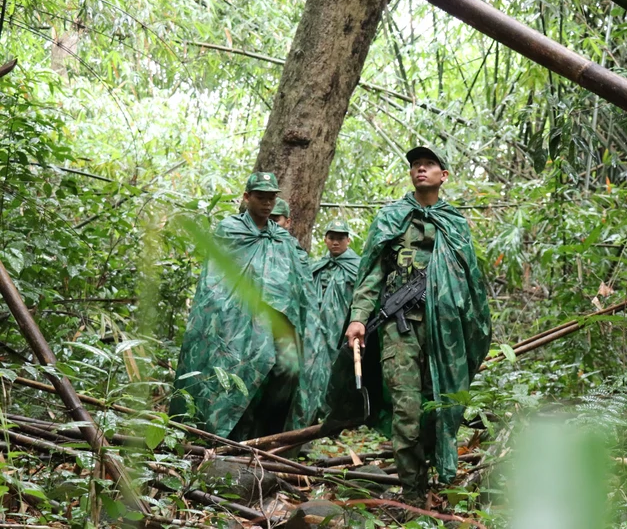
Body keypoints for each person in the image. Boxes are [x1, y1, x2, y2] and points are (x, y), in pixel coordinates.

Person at [341, 146, 492, 504]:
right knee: (406, 409)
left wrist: (472, 330)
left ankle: (437, 479)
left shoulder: (454, 223)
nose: (421, 169)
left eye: (429, 164)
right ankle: (412, 495)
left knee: (439, 405)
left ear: (443, 175)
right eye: (415, 165)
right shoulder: (391, 218)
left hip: (445, 331)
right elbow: (372, 273)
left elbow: (470, 282)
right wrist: (358, 317)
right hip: (399, 326)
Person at [170, 172, 325, 440]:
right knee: (239, 371)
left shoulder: (282, 239)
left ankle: (267, 436)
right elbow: (214, 281)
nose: (267, 203)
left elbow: (300, 284)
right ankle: (230, 437)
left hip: (278, 321)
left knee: (287, 370)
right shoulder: (230, 230)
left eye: (271, 198)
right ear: (247, 197)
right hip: (235, 320)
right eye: (261, 197)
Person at [311, 220, 361, 414]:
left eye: (340, 238)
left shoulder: (357, 266)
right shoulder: (318, 266)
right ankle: (314, 411)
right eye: (331, 238)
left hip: (343, 329)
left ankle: (338, 413)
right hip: (316, 328)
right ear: (325, 240)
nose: (335, 242)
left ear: (348, 240)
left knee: (340, 369)